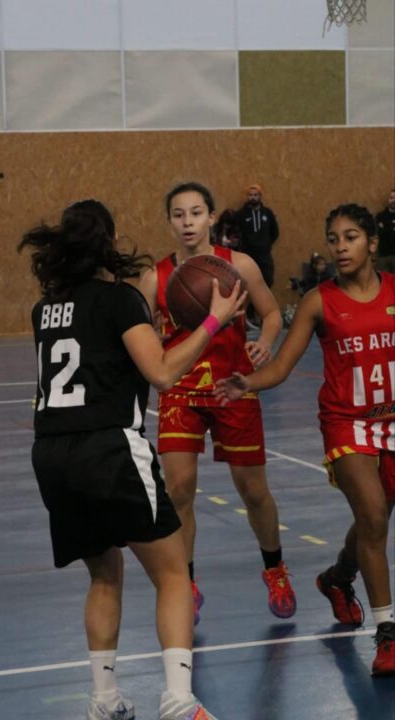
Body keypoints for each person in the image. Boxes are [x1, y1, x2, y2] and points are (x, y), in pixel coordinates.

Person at [18, 199, 246, 720]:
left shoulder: (43, 309)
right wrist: (213, 321)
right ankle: (179, 699)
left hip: (51, 454)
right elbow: (162, 373)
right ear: (110, 241)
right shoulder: (120, 299)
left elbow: (92, 361)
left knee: (103, 576)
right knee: (173, 575)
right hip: (108, 449)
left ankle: (104, 700)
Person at [215, 203, 395, 676]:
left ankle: (338, 577)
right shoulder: (319, 301)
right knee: (373, 515)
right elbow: (280, 366)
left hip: (392, 421)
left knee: (374, 521)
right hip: (346, 423)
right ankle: (387, 635)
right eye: (333, 239)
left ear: (373, 243)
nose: (340, 247)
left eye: (351, 237)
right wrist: (247, 383)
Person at [139, 181, 296, 626]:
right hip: (180, 391)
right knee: (179, 490)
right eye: (178, 215)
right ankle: (185, 584)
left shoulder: (239, 265)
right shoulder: (155, 277)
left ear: (211, 217)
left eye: (195, 213)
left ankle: (275, 568)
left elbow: (271, 313)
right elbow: (140, 332)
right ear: (169, 222)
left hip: (233, 387)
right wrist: (152, 337)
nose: (187, 222)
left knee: (253, 491)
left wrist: (264, 343)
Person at [236, 184, 279, 288]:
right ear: (247, 196)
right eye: (250, 195)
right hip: (248, 254)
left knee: (268, 279)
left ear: (260, 196)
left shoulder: (267, 213)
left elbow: (275, 232)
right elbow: (236, 232)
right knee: (247, 281)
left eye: (255, 195)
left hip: (264, 253)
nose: (253, 197)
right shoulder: (241, 214)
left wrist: (266, 244)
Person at [375, 188, 395, 273]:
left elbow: (385, 233)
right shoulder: (380, 216)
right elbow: (379, 234)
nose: (393, 201)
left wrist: (385, 229)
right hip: (383, 257)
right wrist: (392, 230)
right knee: (383, 280)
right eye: (391, 198)